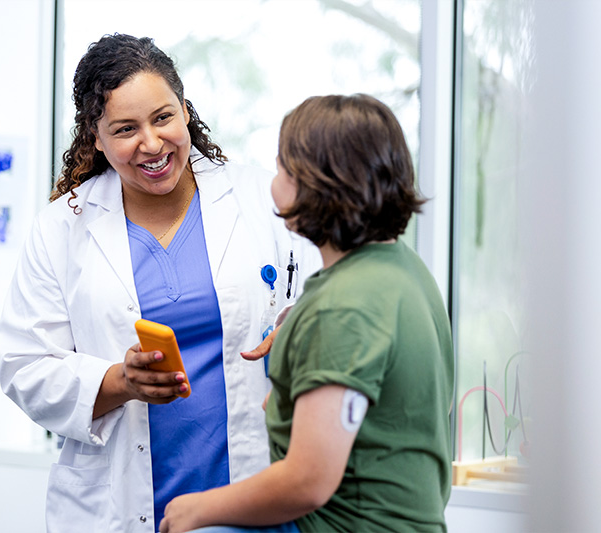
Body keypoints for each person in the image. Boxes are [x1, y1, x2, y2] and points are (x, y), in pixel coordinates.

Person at [0, 34, 320, 531]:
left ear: (185, 111)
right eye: (125, 128)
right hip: (117, 506)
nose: (150, 143)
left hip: (252, 498)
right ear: (96, 137)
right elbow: (24, 365)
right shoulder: (63, 227)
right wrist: (119, 382)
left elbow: (325, 295)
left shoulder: (257, 197)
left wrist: (300, 332)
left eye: (163, 117)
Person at [160, 94, 455, 533]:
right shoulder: (401, 270)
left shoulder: (343, 306)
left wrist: (196, 508)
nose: (271, 181)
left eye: (282, 167)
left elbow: (307, 482)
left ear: (317, 185)